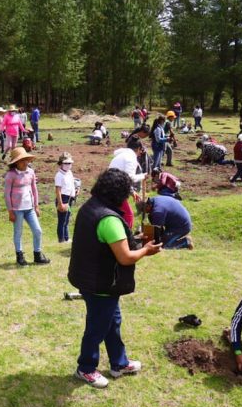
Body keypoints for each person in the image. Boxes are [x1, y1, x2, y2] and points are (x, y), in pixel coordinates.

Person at [68, 168, 162, 388]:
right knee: (97, 327)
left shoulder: (90, 206)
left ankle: (118, 363)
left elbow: (106, 243)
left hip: (90, 279)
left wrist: (133, 238)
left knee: (112, 322)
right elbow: (126, 258)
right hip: (101, 283)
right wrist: (146, 250)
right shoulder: (109, 219)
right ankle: (86, 368)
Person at [4, 147, 49, 266]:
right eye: (21, 160)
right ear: (16, 163)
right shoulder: (11, 175)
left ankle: (37, 254)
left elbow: (34, 189)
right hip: (17, 209)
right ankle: (19, 255)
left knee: (38, 230)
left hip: (30, 208)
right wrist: (10, 211)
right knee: (18, 232)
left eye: (26, 160)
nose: (25, 163)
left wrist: (36, 205)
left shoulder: (31, 172)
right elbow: (7, 194)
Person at [109, 138, 148, 229]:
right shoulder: (131, 158)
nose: (140, 153)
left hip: (111, 186)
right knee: (128, 215)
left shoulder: (122, 155)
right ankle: (126, 238)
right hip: (116, 190)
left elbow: (123, 175)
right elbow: (129, 177)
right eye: (140, 150)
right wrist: (142, 176)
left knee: (117, 213)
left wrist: (132, 191)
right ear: (138, 149)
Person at [55, 153, 77, 243]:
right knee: (62, 220)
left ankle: (66, 238)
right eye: (66, 163)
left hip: (69, 198)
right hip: (63, 198)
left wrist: (75, 190)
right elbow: (58, 190)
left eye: (69, 163)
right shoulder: (59, 175)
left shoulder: (69, 173)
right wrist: (60, 203)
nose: (68, 165)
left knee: (66, 220)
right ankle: (61, 239)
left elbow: (71, 184)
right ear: (61, 163)